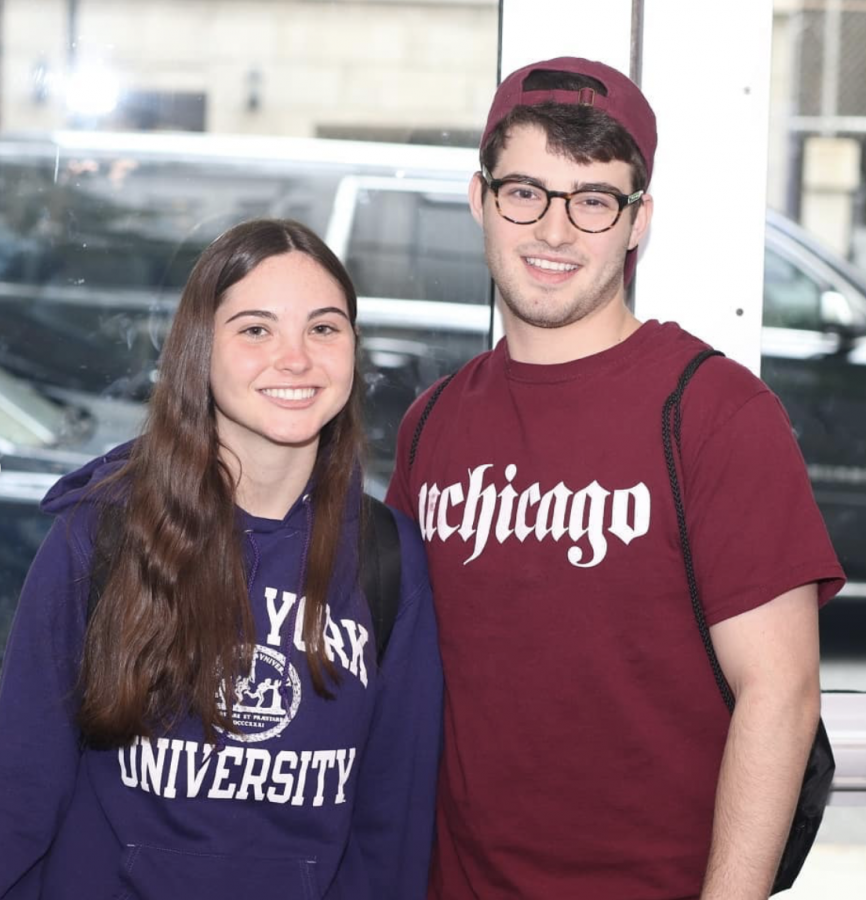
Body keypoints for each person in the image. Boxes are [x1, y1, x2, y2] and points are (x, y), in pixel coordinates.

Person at [386, 58, 845, 900]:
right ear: (479, 199)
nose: (556, 231)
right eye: (526, 191)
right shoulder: (432, 425)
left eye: (593, 200)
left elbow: (779, 695)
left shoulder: (715, 414)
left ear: (638, 223)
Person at [0, 218, 443, 899]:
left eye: (323, 328)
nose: (294, 358)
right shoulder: (101, 534)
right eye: (256, 330)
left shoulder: (389, 560)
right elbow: (19, 794)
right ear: (200, 350)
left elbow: (393, 830)